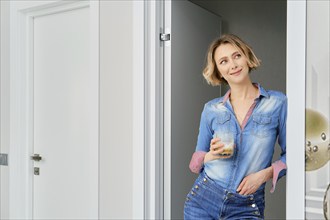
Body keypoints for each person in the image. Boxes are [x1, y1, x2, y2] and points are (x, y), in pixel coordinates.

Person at [184, 34, 287, 219]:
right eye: (223, 61)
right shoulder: (212, 109)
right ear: (218, 71)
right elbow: (195, 163)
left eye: (237, 56)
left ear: (247, 57)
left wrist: (265, 174)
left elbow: (293, 155)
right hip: (203, 201)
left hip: (247, 205)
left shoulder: (277, 103)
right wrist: (210, 155)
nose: (233, 65)